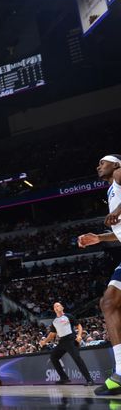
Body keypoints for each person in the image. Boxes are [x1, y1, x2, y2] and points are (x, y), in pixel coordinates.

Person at [77, 154, 121, 395]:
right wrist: (99, 238)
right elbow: (120, 230)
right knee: (109, 302)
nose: (98, 166)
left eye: (102, 162)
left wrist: (119, 210)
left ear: (115, 164)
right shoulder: (111, 191)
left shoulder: (119, 174)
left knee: (110, 302)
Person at [38, 301, 93, 385]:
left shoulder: (68, 316)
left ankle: (89, 380)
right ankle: (64, 378)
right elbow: (52, 334)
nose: (57, 307)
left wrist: (79, 335)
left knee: (77, 359)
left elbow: (79, 326)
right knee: (53, 357)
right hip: (62, 341)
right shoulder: (55, 322)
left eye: (58, 306)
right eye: (55, 307)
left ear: (62, 307)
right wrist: (44, 341)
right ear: (54, 309)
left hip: (71, 340)